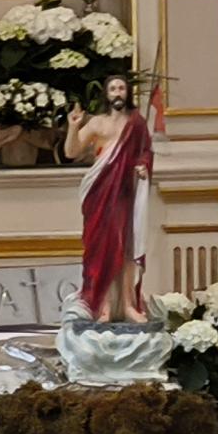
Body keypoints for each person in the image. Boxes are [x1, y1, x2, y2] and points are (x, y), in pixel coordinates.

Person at [65, 73, 152, 324]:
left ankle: (127, 304)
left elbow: (145, 151)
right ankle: (102, 305)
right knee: (100, 249)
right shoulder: (97, 123)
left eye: (121, 88)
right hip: (99, 193)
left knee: (124, 248)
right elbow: (71, 151)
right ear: (106, 94)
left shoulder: (136, 123)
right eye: (113, 89)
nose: (117, 93)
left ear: (128, 93)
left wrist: (143, 164)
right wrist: (73, 126)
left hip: (124, 193)